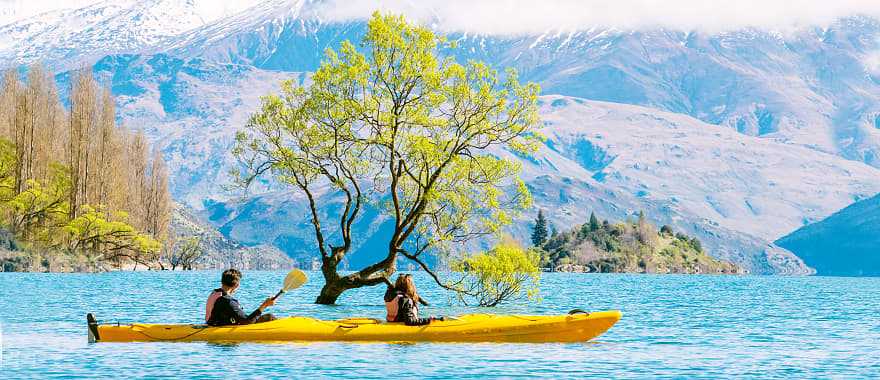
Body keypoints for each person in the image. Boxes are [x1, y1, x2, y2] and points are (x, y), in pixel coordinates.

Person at [205, 268, 277, 326]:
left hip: (212, 324)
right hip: (218, 328)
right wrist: (264, 305)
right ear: (237, 285)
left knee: (267, 317)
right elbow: (246, 321)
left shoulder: (214, 293)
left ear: (222, 281)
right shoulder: (227, 301)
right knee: (270, 317)